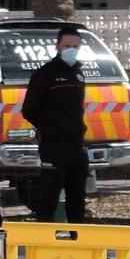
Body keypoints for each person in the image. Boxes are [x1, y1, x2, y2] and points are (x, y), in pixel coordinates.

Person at [20, 24, 89, 223]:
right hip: (54, 145)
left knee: (77, 199)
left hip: (77, 144)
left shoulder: (78, 73)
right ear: (57, 46)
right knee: (49, 198)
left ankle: (80, 245)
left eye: (75, 46)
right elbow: (29, 110)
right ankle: (44, 246)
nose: (71, 50)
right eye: (67, 46)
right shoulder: (45, 74)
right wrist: (50, 127)